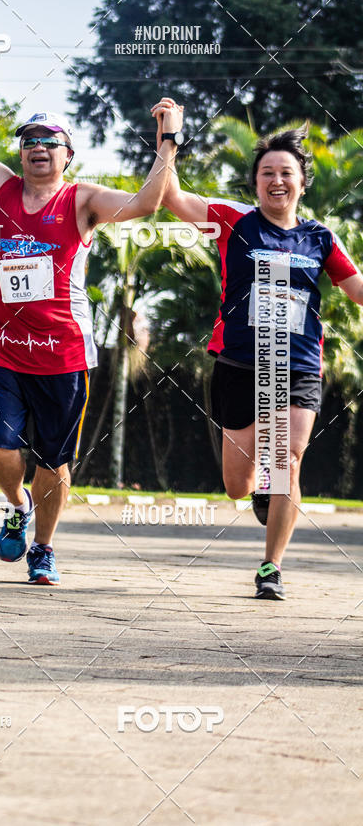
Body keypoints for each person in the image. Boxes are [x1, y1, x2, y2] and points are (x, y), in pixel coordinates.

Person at [0, 32, 184, 585]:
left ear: (67, 154)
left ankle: (43, 547)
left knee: (54, 462)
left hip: (64, 355)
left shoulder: (83, 200)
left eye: (50, 139)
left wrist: (167, 142)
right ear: (20, 151)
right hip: (3, 348)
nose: (38, 146)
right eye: (29, 138)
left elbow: (147, 203)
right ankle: (17, 506)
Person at [155, 98, 363, 599]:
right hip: (240, 364)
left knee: (287, 458)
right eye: (267, 172)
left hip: (297, 365)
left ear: (301, 182)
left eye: (286, 172)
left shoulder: (321, 239)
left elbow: (357, 288)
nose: (277, 181)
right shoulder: (233, 222)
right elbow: (170, 197)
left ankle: (271, 566)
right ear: (256, 182)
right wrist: (169, 137)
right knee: (238, 483)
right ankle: (260, 495)